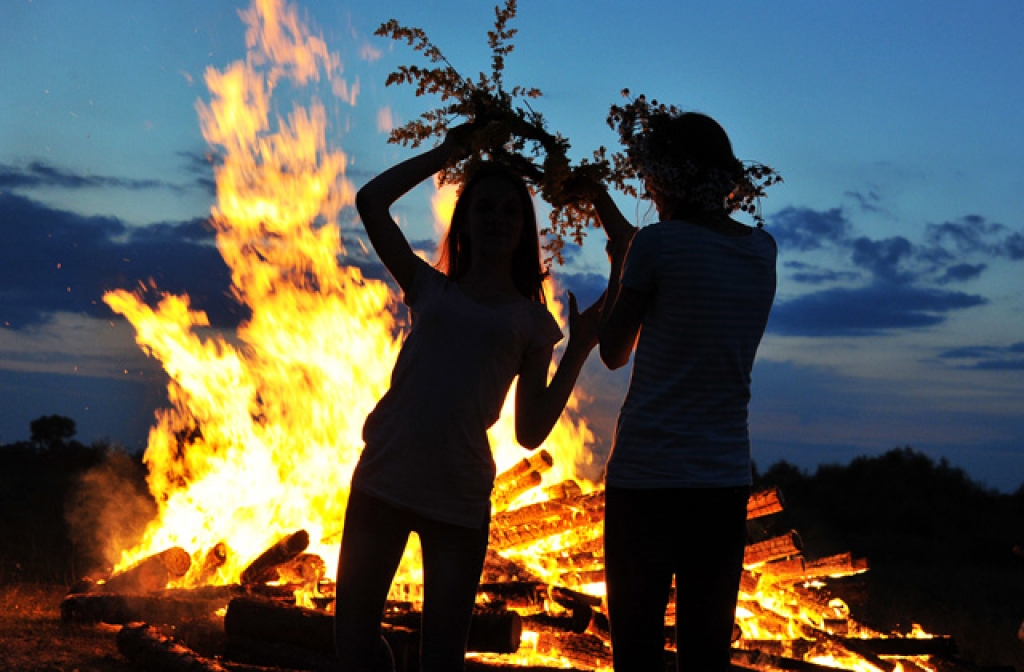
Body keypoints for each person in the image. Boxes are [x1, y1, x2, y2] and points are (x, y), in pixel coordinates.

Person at [335, 124, 602, 672]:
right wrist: (445, 153)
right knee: (354, 640)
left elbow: (529, 432)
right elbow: (370, 202)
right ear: (466, 221)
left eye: (510, 211)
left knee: (442, 658)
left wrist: (577, 351)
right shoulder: (430, 286)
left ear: (524, 228)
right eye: (484, 209)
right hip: (383, 477)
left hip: (457, 500)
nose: (497, 219)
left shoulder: (532, 322)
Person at [592, 111, 777, 671]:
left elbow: (612, 350)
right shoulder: (761, 251)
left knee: (637, 651)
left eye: (651, 174)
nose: (647, 185)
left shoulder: (656, 246)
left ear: (667, 176)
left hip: (646, 478)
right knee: (705, 652)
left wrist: (619, 265)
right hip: (721, 480)